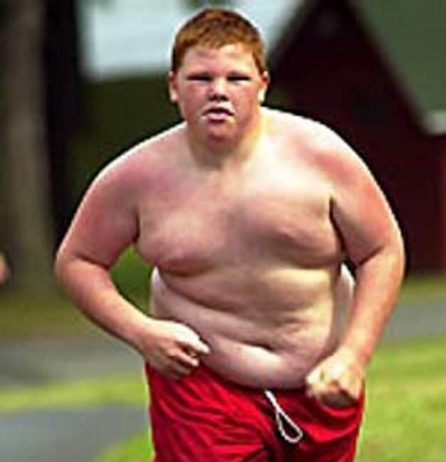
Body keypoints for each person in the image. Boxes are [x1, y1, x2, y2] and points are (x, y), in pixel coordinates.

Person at [55, 8, 405, 462]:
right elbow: (78, 261)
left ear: (262, 84)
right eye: (201, 78)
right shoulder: (135, 177)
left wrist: (354, 355)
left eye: (236, 78)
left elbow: (382, 250)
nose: (218, 91)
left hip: (322, 386)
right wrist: (141, 332)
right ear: (173, 86)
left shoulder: (321, 156)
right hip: (203, 389)